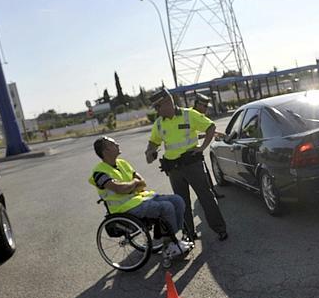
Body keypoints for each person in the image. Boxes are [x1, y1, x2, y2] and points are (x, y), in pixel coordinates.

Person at [145, 88, 228, 242]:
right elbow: (153, 143)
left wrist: (202, 147)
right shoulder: (159, 124)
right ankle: (189, 234)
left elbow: (210, 127)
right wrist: (150, 151)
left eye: (158, 106)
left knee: (206, 197)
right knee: (181, 203)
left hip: (192, 165)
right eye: (155, 108)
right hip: (173, 170)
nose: (156, 110)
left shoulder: (189, 115)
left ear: (168, 102)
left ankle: (220, 229)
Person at [89, 136, 192, 257]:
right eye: (113, 144)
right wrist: (134, 184)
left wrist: (130, 186)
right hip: (124, 207)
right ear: (106, 151)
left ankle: (171, 237)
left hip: (141, 198)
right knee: (166, 207)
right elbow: (119, 189)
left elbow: (142, 182)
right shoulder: (99, 172)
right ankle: (169, 243)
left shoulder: (122, 163)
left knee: (177, 200)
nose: (117, 144)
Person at [192, 93, 225, 200]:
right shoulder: (192, 115)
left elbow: (194, 133)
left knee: (205, 174)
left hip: (194, 153)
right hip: (191, 155)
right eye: (204, 106)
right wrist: (202, 147)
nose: (206, 109)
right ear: (197, 104)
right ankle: (209, 197)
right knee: (202, 177)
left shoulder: (192, 114)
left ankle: (212, 193)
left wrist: (213, 133)